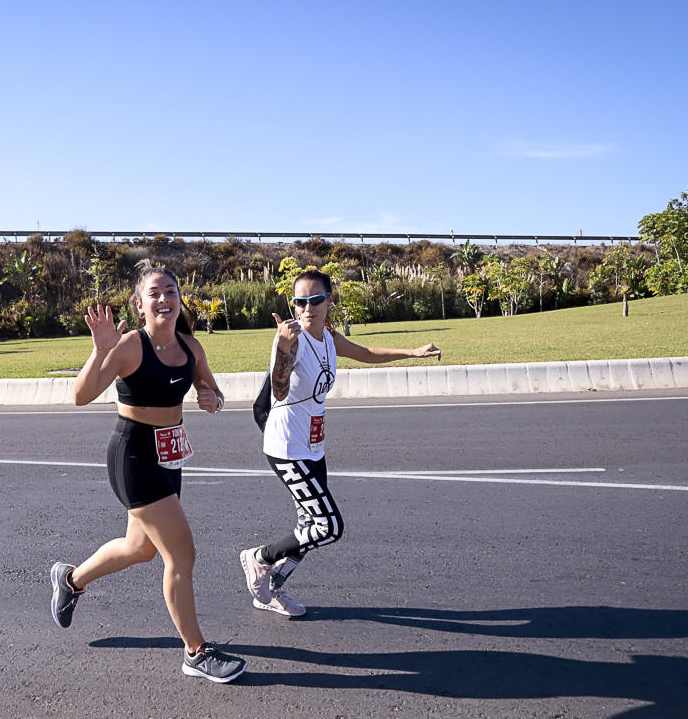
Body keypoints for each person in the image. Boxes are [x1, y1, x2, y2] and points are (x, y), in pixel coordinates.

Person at [50, 263, 247, 683]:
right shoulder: (129, 346)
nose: (164, 299)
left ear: (179, 300)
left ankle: (71, 580)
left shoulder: (191, 347)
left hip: (169, 454)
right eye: (154, 293)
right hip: (133, 454)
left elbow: (212, 392)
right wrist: (99, 350)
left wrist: (212, 399)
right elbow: (81, 396)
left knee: (140, 549)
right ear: (140, 305)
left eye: (171, 291)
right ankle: (196, 652)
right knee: (181, 553)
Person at [239, 269, 442, 617]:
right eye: (299, 302)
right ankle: (258, 558)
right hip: (287, 447)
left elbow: (366, 352)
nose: (307, 308)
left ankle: (270, 590)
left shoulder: (329, 338)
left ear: (329, 300)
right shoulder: (290, 340)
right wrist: (284, 348)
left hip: (312, 446)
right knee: (328, 526)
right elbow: (279, 390)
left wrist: (412, 352)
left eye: (315, 299)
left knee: (310, 527)